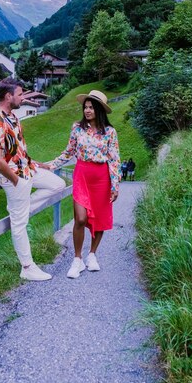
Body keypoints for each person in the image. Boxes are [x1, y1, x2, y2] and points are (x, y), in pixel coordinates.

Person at [0, 77, 65, 281]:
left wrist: (39, 164)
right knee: (19, 224)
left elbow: (19, 152)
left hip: (28, 169)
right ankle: (27, 267)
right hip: (15, 177)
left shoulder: (14, 118)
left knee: (58, 184)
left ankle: (22, 209)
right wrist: (15, 180)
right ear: (8, 96)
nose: (23, 97)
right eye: (20, 94)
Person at [41, 89, 121, 279]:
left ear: (99, 110)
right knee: (81, 218)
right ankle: (77, 259)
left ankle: (92, 255)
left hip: (102, 177)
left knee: (100, 218)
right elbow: (68, 152)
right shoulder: (77, 128)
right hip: (82, 175)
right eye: (85, 107)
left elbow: (115, 159)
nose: (87, 110)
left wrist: (115, 185)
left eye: (91, 107)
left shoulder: (110, 132)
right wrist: (50, 165)